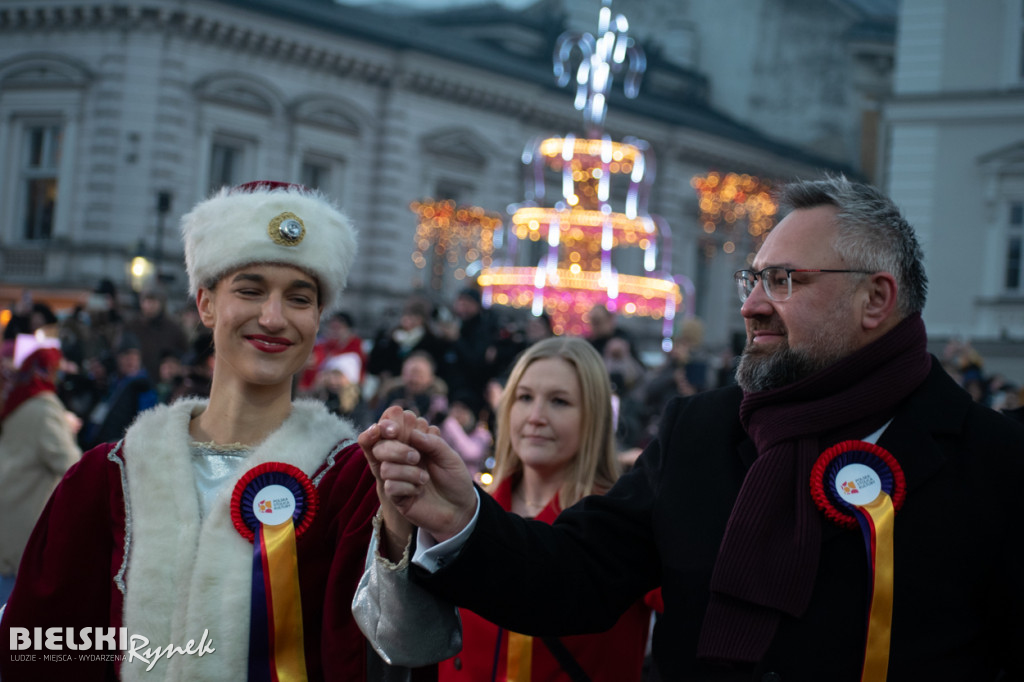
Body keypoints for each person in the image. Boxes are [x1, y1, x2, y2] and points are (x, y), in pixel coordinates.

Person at [360, 175, 1024, 681]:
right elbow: (575, 575)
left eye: (783, 281)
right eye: (753, 279)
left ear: (875, 298)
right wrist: (462, 516)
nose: (751, 305)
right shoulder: (702, 430)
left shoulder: (994, 461)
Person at [0, 181, 403, 681]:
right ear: (205, 304)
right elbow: (41, 653)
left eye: (299, 298)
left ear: (318, 317)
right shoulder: (105, 478)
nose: (273, 318)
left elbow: (394, 650)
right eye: (250, 290)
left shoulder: (355, 484)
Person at [359, 337, 652, 681]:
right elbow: (403, 639)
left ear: (596, 416)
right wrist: (397, 524)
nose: (536, 417)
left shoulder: (626, 522)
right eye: (524, 398)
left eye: (559, 401)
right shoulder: (463, 511)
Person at [0, 340, 81, 604]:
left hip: (8, 512)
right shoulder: (45, 409)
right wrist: (67, 430)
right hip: (26, 521)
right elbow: (71, 466)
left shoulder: (16, 402)